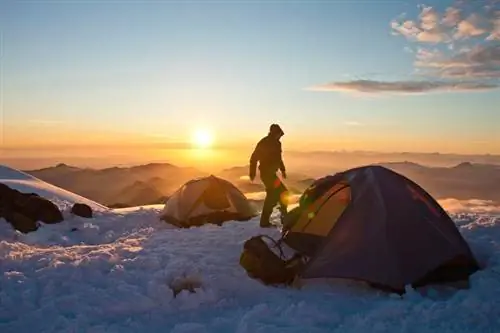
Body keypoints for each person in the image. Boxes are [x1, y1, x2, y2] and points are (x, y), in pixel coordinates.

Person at [249, 124, 289, 228]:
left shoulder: (277, 143)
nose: (280, 136)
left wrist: (283, 170)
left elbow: (279, 158)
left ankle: (283, 217)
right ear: (274, 133)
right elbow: (254, 158)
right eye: (279, 134)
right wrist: (252, 172)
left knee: (281, 193)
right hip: (266, 174)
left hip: (272, 174)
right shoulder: (264, 143)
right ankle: (267, 221)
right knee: (274, 195)